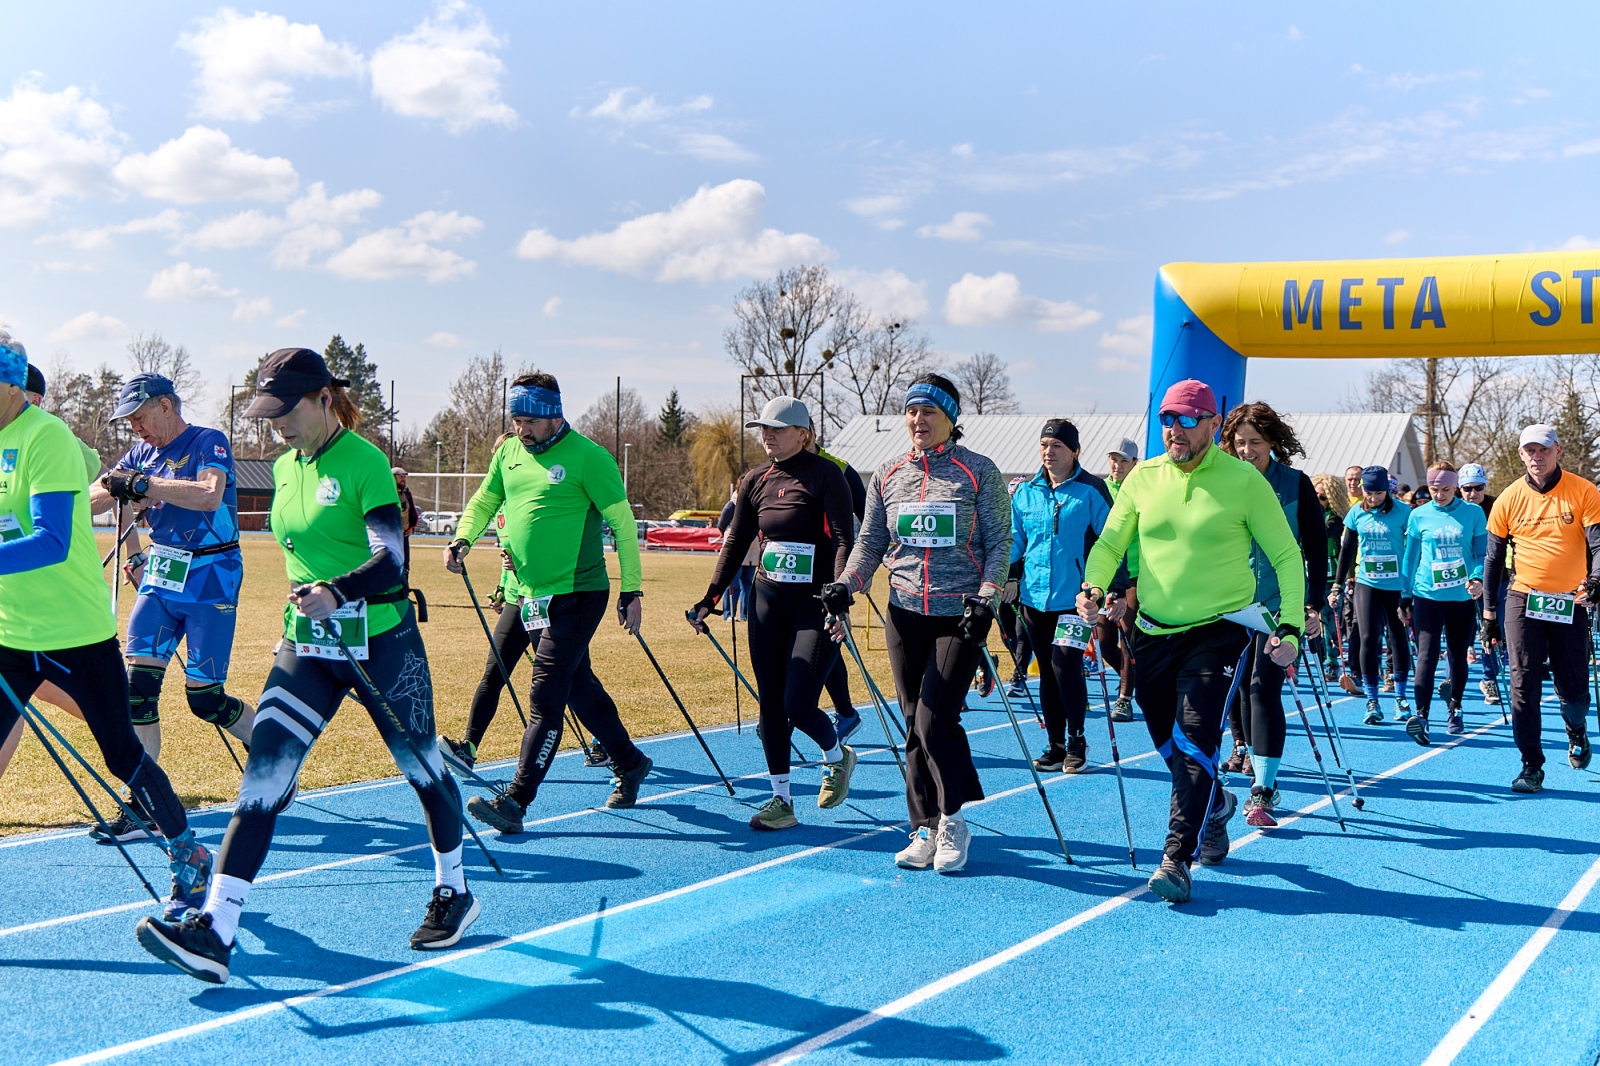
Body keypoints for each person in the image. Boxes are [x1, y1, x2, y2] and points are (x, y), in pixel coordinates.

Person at [136, 348, 474, 984]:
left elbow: (392, 560)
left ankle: (453, 890)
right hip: (309, 647)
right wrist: (303, 614)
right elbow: (298, 561)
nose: (276, 427)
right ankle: (217, 929)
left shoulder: (365, 463)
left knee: (424, 771)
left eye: (285, 412)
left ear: (323, 399)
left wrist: (338, 591)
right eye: (268, 416)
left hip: (381, 642)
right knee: (262, 777)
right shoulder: (287, 467)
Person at [0, 336, 211, 924]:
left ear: (10, 385)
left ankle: (187, 852)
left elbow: (51, 540)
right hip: (9, 635)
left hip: (74, 633)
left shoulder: (47, 439)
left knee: (122, 753)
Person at [1076, 378, 1304, 904]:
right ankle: (1217, 804)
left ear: (1210, 424)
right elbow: (1111, 542)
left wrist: (1289, 625)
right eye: (1166, 419)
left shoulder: (1244, 481)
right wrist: (1092, 586)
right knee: (1168, 743)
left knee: (1199, 736)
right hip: (1153, 631)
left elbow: (1287, 556)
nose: (1173, 430)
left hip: (1221, 628)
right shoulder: (1144, 478)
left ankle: (1177, 858)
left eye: (1184, 419)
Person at [821, 372, 1010, 874]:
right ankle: (922, 826)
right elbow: (870, 543)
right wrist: (849, 583)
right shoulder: (888, 473)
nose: (917, 420)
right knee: (911, 721)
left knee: (935, 719)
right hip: (904, 611)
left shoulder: (978, 472)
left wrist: (987, 598)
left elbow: (998, 544)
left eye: (929, 411)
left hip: (960, 616)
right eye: (911, 411)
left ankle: (952, 820)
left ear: (950, 419)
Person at [450, 372, 654, 834]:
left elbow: (623, 527)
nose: (521, 429)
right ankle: (629, 760)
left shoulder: (590, 458)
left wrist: (632, 590)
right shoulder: (509, 452)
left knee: (545, 696)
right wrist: (463, 538)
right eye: (515, 420)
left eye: (528, 421)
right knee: (577, 686)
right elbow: (485, 500)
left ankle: (517, 800)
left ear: (553, 416)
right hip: (527, 595)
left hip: (578, 594)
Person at [87, 373, 255, 843]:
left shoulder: (207, 441)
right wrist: (133, 543)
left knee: (205, 699)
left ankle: (269, 751)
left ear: (165, 405)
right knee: (137, 693)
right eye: (129, 421)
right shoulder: (140, 452)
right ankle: (146, 805)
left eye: (139, 417)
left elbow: (208, 494)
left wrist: (145, 484)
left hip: (212, 576)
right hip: (160, 577)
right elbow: (99, 495)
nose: (135, 428)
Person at [690, 396, 858, 830]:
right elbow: (734, 541)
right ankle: (781, 800)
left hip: (814, 604)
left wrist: (840, 588)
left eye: (777, 429)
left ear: (802, 434)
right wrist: (711, 598)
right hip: (767, 601)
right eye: (762, 429)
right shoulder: (754, 480)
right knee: (770, 704)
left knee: (798, 704)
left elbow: (843, 539)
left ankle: (836, 756)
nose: (767, 435)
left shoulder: (827, 476)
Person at [439, 435, 610, 773]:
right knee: (494, 671)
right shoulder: (501, 507)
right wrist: (502, 590)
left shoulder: (540, 496)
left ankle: (605, 742)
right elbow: (511, 556)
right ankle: (468, 748)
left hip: (555, 597)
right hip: (519, 601)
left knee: (575, 678)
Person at [1218, 402, 1326, 829]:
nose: (1246, 451)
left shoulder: (1295, 485)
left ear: (1273, 444)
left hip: (1278, 607)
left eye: (1255, 443)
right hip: (1226, 604)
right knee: (1229, 688)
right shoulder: (1220, 484)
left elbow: (1316, 551)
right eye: (1239, 443)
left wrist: (1311, 605)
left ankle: (1263, 789)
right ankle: (1238, 744)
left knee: (1263, 689)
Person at [1482, 424, 1600, 793]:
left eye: (1543, 450)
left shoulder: (1583, 490)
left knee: (1574, 683)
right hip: (1523, 596)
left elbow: (1598, 546)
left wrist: (1595, 583)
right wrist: (1489, 616)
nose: (1537, 456)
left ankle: (1576, 728)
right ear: (1521, 454)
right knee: (1523, 680)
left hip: (1571, 598)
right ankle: (1531, 765)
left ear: (1558, 451)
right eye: (1529, 451)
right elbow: (1493, 559)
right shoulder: (1508, 499)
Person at [0, 360, 99, 780]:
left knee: (34, 685)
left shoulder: (51, 437)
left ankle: (124, 715)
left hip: (52, 597)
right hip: (12, 594)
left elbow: (92, 468)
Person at [1007, 418, 1114, 773]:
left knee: (1065, 664)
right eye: (1044, 445)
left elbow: (1112, 541)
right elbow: (1015, 541)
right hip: (1034, 598)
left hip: (1076, 598)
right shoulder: (1025, 492)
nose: (1048, 452)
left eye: (1057, 446)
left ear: (1074, 452)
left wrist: (1111, 588)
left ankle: (1076, 741)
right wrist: (1004, 573)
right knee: (1047, 673)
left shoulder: (1091, 490)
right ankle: (1054, 743)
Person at [1399, 461, 1486, 744]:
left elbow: (1482, 554)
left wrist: (1476, 577)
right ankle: (1421, 716)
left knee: (1457, 655)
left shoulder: (1472, 513)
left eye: (1446, 489)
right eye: (1435, 489)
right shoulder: (1419, 515)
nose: (1439, 495)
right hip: (1428, 596)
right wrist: (1405, 593)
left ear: (1456, 488)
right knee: (1425, 655)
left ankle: (1455, 708)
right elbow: (1410, 558)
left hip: (1460, 597)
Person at [1332, 466, 1412, 726]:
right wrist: (1337, 584)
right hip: (1368, 583)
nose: (1374, 497)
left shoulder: (1403, 512)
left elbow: (1413, 551)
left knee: (1397, 637)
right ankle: (1372, 699)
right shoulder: (1356, 513)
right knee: (1368, 637)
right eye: (1370, 492)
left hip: (1396, 585)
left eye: (1379, 493)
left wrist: (1410, 587)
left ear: (1387, 490)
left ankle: (1400, 697)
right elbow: (1346, 550)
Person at [815, 440, 868, 741]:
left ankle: (844, 712)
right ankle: (844, 713)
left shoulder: (840, 468)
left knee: (825, 639)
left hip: (833, 569)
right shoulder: (779, 466)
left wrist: (863, 567)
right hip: (793, 573)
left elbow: (869, 518)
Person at [1098, 438, 1141, 722]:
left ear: (1134, 464)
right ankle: (1131, 676)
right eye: (1114, 458)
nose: (1117, 465)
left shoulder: (1142, 489)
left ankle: (1124, 698)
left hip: (1136, 574)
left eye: (1124, 460)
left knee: (1128, 638)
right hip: (1105, 573)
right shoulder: (1099, 490)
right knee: (1104, 642)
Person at [1459, 463, 1503, 704]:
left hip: (1497, 578)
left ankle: (1491, 679)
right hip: (1461, 581)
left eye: (1478, 488)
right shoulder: (1453, 508)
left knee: (1494, 632)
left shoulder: (1497, 506)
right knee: (1461, 634)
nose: (1472, 493)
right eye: (1467, 488)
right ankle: (1454, 685)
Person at [1310, 472, 1350, 681]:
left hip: (1329, 578)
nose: (1318, 501)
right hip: (1307, 575)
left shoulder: (1335, 518)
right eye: (1315, 496)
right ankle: (1295, 663)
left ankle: (1332, 662)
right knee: (1300, 619)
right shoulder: (1305, 514)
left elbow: (1321, 533)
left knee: (1329, 622)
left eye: (1323, 498)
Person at [715, 486, 752, 623]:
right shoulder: (732, 504)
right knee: (732, 584)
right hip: (735, 549)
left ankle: (745, 614)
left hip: (752, 550)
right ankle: (729, 613)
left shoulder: (757, 501)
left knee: (747, 584)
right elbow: (721, 525)